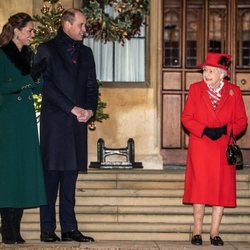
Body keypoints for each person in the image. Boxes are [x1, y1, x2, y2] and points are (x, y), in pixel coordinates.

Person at [36, 8, 98, 243]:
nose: (85, 29)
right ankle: (47, 229)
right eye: (81, 25)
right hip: (55, 124)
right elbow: (45, 85)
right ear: (67, 25)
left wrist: (90, 110)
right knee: (51, 179)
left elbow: (92, 87)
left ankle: (69, 229)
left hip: (77, 125)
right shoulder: (46, 49)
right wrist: (71, 108)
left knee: (70, 181)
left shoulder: (87, 53)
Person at [181, 52, 247, 246]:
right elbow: (186, 118)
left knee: (221, 191)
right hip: (201, 146)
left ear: (222, 73)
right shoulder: (195, 89)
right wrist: (205, 130)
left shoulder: (234, 91)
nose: (206, 74)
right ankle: (196, 232)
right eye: (204, 70)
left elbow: (242, 121)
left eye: (210, 71)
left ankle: (215, 233)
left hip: (223, 147)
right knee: (200, 189)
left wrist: (226, 129)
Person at [0, 12, 47, 244]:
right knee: (9, 173)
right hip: (7, 120)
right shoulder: (1, 54)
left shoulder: (28, 54)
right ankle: (6, 228)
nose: (32, 34)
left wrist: (39, 78)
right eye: (29, 30)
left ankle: (15, 229)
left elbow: (36, 89)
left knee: (22, 172)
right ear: (17, 31)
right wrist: (28, 78)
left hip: (25, 120)